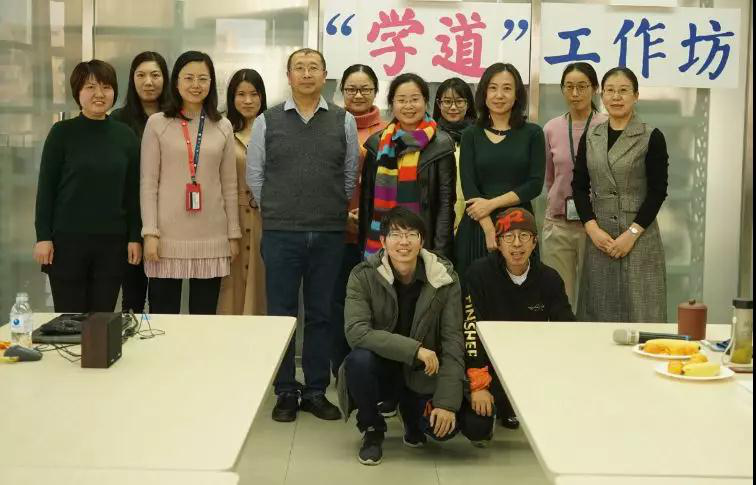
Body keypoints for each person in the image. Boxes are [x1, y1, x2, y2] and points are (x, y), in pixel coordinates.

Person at [246, 48, 359, 423]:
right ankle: (284, 390)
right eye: (300, 68)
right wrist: (278, 210)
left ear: (325, 75)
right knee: (280, 315)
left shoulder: (343, 120)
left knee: (321, 314)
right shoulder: (268, 120)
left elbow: (348, 175)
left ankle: (314, 390)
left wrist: (328, 209)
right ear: (289, 75)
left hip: (328, 233)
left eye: (314, 68)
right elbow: (255, 175)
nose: (307, 74)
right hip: (281, 233)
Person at [337, 207, 492, 466]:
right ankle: (372, 428)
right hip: (384, 368)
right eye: (396, 235)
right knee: (358, 361)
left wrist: (446, 404)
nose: (404, 242)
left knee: (458, 429)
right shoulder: (363, 275)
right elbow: (356, 332)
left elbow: (454, 342)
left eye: (411, 234)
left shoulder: (443, 278)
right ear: (383, 241)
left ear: (422, 241)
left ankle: (411, 415)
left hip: (425, 373)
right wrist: (415, 349)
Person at [34, 60, 141, 312]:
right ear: (77, 92)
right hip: (67, 243)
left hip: (112, 243)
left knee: (102, 320)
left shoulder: (125, 136)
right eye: (90, 87)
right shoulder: (61, 133)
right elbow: (46, 189)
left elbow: (133, 192)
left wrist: (135, 237)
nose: (99, 94)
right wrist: (43, 237)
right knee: (69, 320)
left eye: (106, 87)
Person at [140, 51, 241, 315]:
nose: (196, 85)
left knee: (204, 320)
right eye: (189, 78)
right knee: (164, 320)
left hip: (212, 238)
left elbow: (230, 186)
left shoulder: (223, 126)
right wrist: (150, 233)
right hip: (166, 239)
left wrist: (233, 234)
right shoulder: (157, 123)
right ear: (176, 82)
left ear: (211, 83)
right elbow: (148, 184)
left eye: (203, 79)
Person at [462, 207, 574, 434]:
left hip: (531, 365)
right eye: (509, 237)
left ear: (534, 242)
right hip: (489, 365)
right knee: (477, 427)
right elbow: (470, 329)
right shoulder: (478, 274)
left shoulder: (549, 279)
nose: (516, 244)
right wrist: (479, 385)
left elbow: (567, 330)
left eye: (524, 236)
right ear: (498, 242)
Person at [572, 67, 669, 323]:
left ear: (636, 95)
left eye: (624, 90)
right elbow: (579, 186)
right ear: (602, 95)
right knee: (598, 314)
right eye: (610, 91)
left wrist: (632, 234)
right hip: (600, 239)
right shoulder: (591, 136)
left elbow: (658, 191)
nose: (616, 97)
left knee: (643, 313)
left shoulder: (651, 136)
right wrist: (592, 228)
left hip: (639, 237)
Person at [454, 63, 545, 281]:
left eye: (507, 88)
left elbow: (534, 184)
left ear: (517, 94)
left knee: (521, 292)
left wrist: (491, 204)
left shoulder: (533, 133)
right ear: (484, 93)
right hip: (477, 224)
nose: (499, 95)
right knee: (473, 292)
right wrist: (488, 228)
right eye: (493, 88)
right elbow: (469, 186)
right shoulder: (470, 134)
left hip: (519, 227)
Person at [360, 73, 456, 260]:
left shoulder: (442, 145)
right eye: (402, 100)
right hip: (382, 242)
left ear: (425, 102)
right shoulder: (376, 144)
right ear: (392, 104)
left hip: (425, 242)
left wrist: (440, 253)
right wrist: (364, 247)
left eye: (414, 99)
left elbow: (445, 205)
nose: (408, 106)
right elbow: (367, 203)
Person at [330, 64, 386, 377]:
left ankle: (368, 372)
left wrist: (368, 216)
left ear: (375, 91)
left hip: (376, 232)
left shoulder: (388, 130)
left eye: (365, 89)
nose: (358, 95)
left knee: (374, 305)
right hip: (335, 230)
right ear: (342, 92)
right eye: (351, 89)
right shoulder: (331, 125)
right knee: (337, 301)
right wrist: (342, 216)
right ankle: (340, 369)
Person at [542, 63, 607, 312]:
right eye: (569, 87)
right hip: (559, 223)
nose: (575, 93)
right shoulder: (551, 128)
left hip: (598, 226)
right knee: (560, 299)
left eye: (582, 86)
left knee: (596, 299)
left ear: (595, 89)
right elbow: (550, 177)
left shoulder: (606, 126)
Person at [111, 51, 170, 314]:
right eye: (141, 75)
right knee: (132, 299)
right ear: (132, 80)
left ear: (165, 79)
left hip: (167, 220)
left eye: (155, 75)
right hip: (129, 221)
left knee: (163, 300)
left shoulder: (176, 118)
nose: (148, 82)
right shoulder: (118, 120)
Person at [216, 69, 268, 316]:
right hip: (230, 217)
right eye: (241, 94)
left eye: (254, 94)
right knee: (230, 286)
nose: (248, 101)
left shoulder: (272, 129)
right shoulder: (221, 129)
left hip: (265, 217)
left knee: (262, 283)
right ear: (231, 97)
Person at [432, 77, 477, 233]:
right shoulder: (429, 136)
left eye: (459, 101)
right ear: (438, 104)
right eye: (447, 101)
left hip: (474, 213)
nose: (453, 107)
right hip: (438, 216)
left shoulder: (479, 136)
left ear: (468, 104)